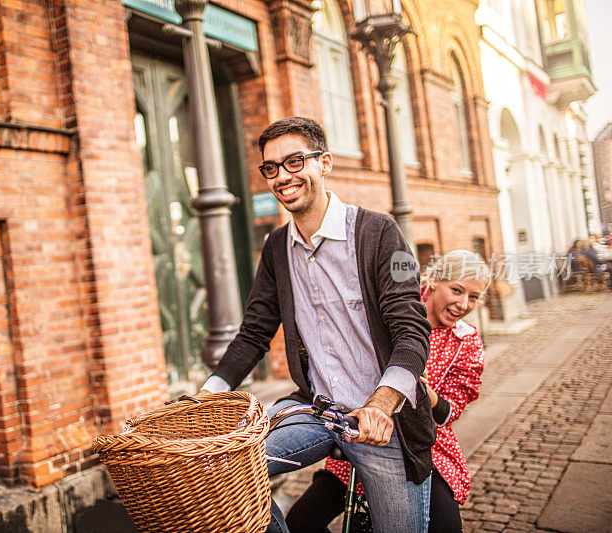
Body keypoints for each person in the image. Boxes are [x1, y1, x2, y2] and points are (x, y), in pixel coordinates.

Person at [196, 117, 436, 532]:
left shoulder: (380, 233)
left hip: (382, 424)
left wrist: (381, 404)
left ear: (324, 163)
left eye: (294, 162)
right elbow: (254, 331)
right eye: (271, 167)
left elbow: (411, 331)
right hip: (316, 409)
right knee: (220, 471)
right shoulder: (275, 248)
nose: (282, 177)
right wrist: (206, 395)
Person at [286, 250, 490, 532]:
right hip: (364, 432)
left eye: (473, 297)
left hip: (423, 446)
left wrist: (422, 389)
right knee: (300, 522)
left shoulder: (465, 342)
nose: (463, 304)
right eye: (456, 290)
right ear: (433, 282)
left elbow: (447, 414)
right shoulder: (393, 310)